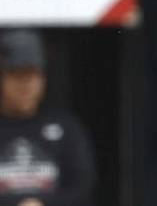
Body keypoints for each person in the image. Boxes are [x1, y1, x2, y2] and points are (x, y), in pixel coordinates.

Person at [0, 30, 96, 206]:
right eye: (17, 76)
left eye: (32, 75)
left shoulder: (64, 127)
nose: (25, 85)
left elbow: (82, 186)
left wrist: (42, 203)